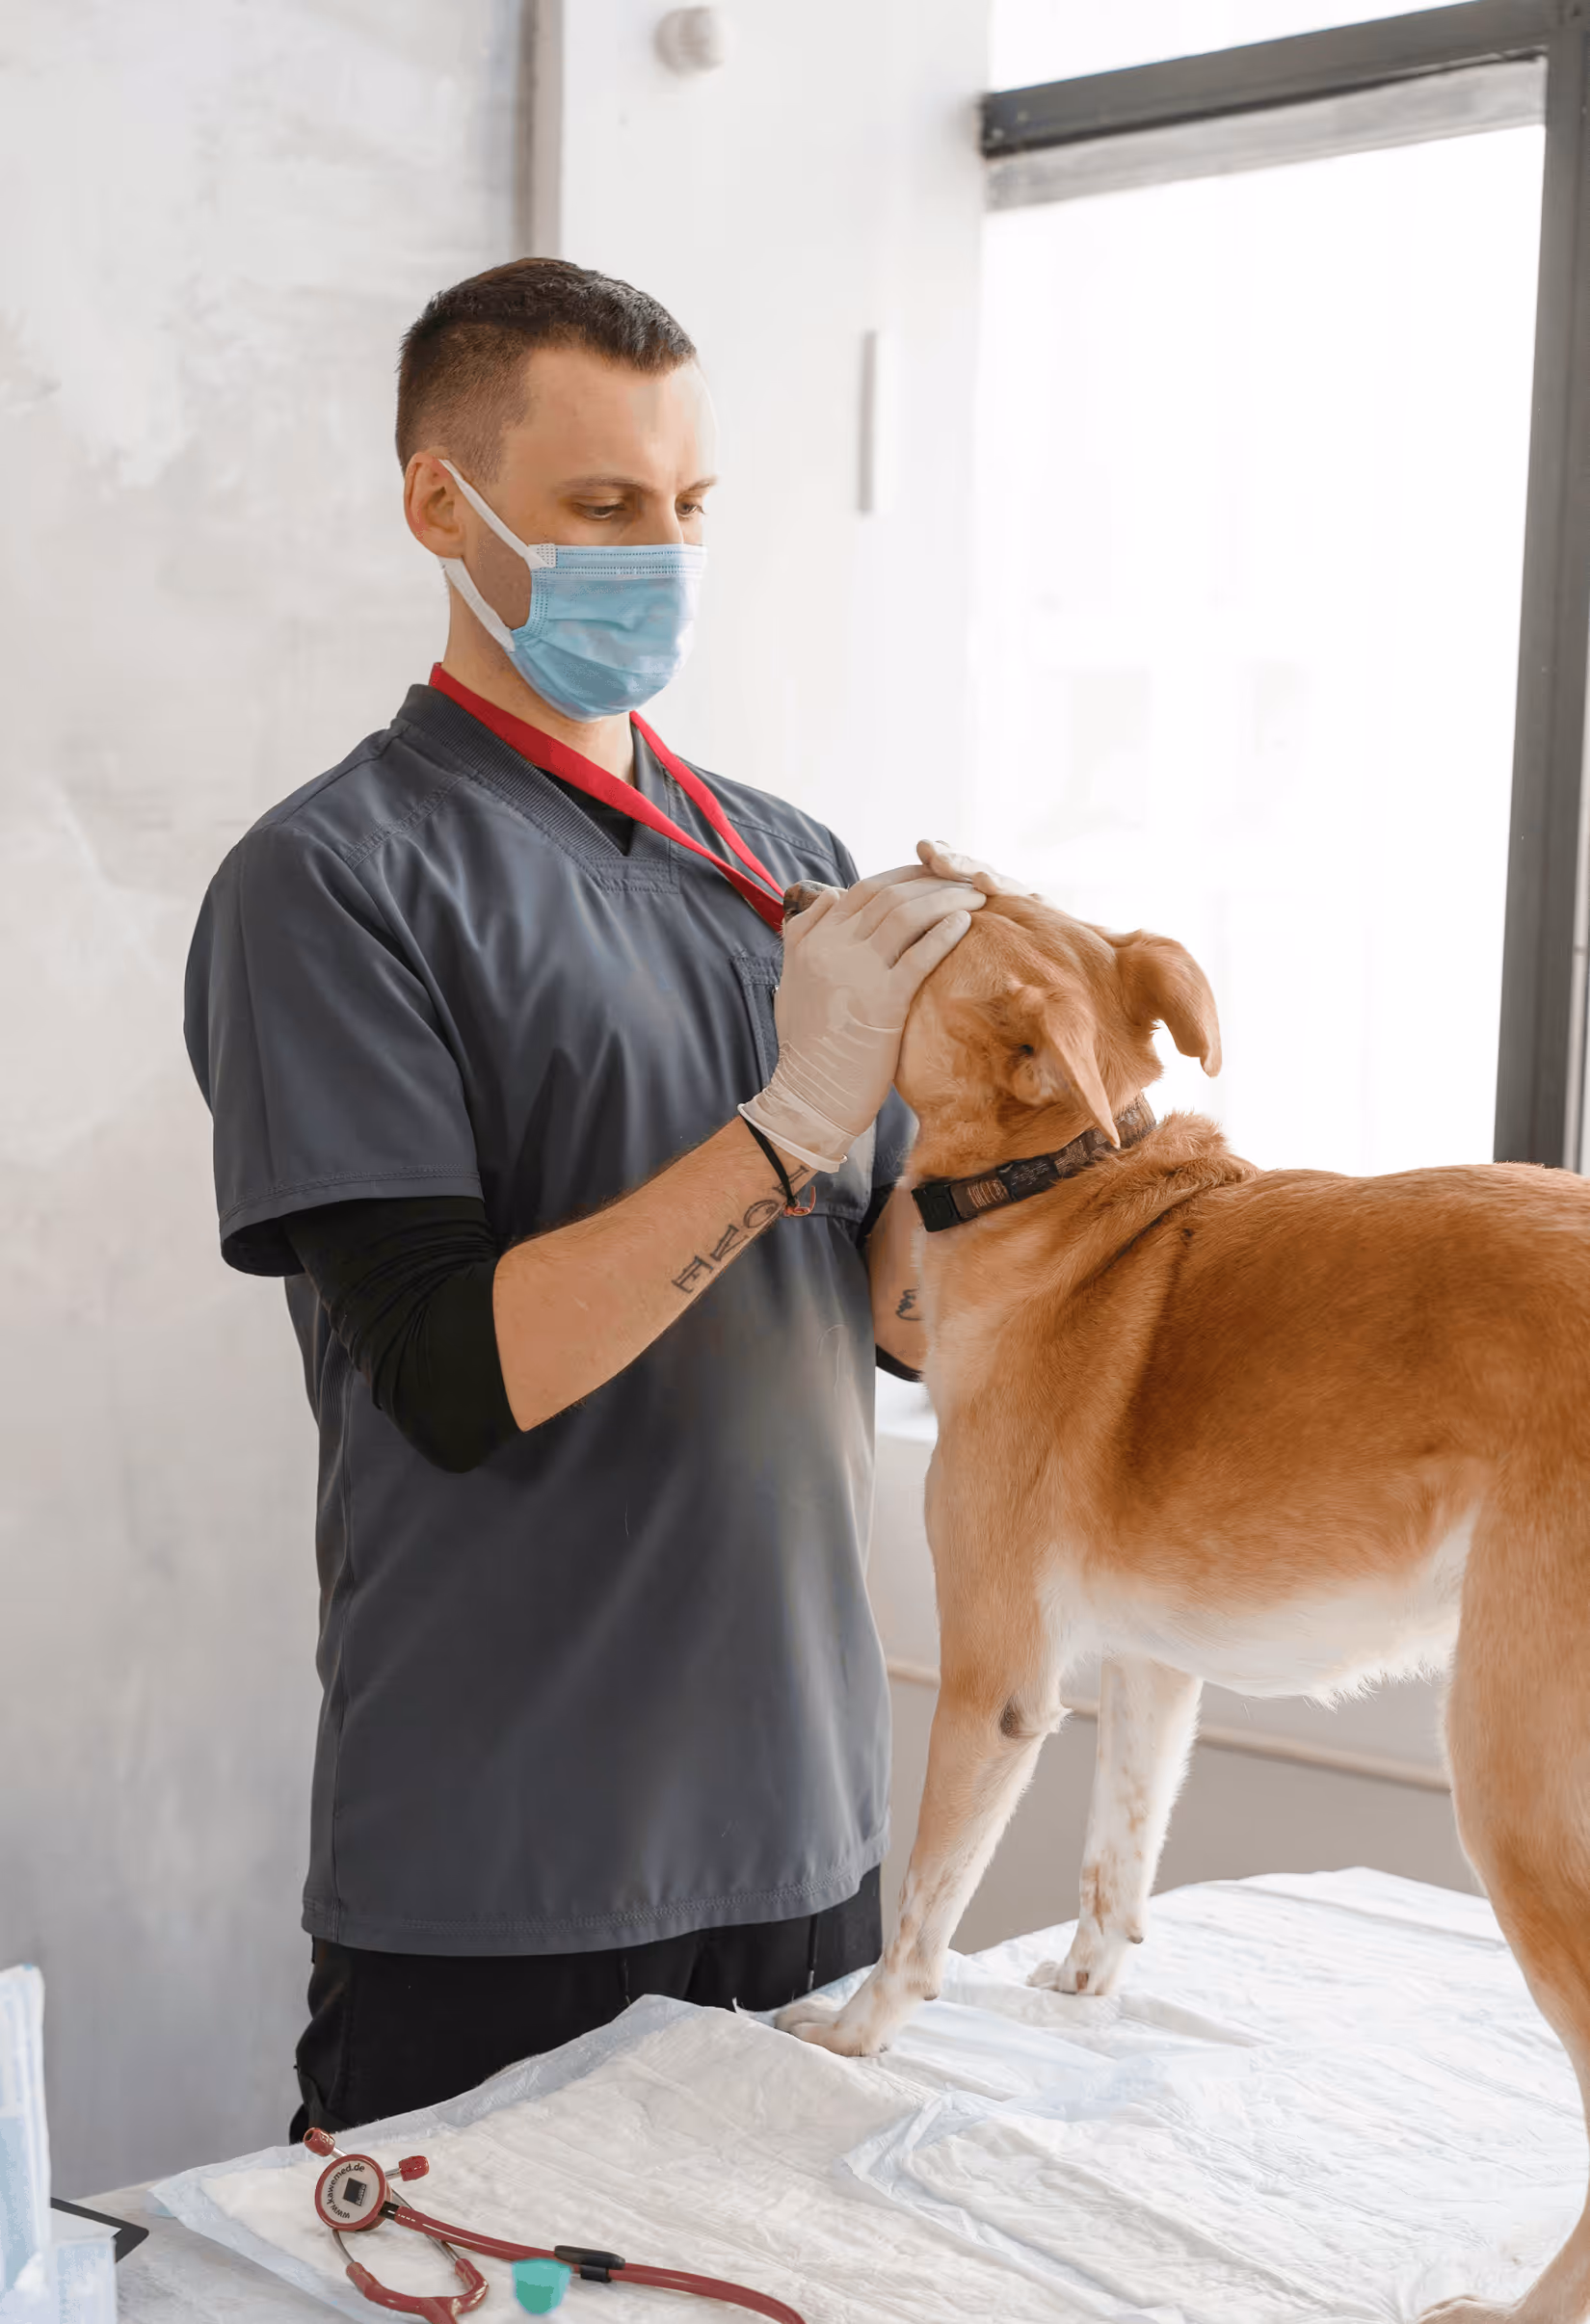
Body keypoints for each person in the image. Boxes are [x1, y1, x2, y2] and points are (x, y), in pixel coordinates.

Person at [184, 256, 984, 2138]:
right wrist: (795, 1117)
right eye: (604, 508)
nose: (663, 558)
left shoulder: (790, 870)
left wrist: (1013, 1113)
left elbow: (889, 1322)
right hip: (504, 1873)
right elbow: (458, 1374)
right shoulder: (333, 882)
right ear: (438, 507)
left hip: (806, 1847)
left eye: (689, 509)